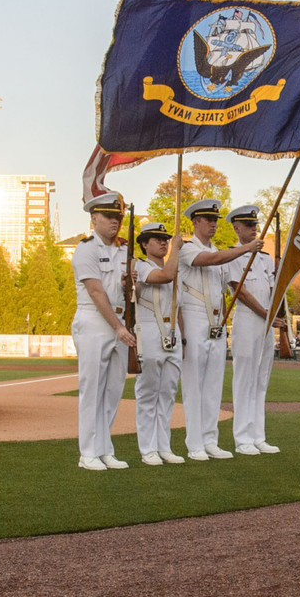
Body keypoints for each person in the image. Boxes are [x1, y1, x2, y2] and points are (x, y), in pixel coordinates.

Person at [175, 196, 256, 461]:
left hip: (216, 322)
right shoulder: (187, 249)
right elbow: (210, 260)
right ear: (196, 221)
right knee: (194, 384)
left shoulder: (218, 249)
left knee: (212, 385)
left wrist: (222, 322)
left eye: (215, 220)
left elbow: (222, 288)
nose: (212, 224)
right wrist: (245, 249)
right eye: (208, 220)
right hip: (194, 316)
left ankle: (210, 439)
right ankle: (194, 443)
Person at [69, 191, 136, 471]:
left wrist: (131, 283)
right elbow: (95, 291)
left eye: (118, 217)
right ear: (94, 218)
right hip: (95, 321)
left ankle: (104, 448)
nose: (115, 222)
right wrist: (118, 327)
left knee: (112, 391)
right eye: (109, 216)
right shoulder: (86, 249)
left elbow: (132, 290)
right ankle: (88, 453)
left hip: (119, 320)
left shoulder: (123, 250)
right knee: (92, 388)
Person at [224, 203, 281, 455]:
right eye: (248, 225)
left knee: (261, 380)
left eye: (255, 225)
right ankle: (243, 438)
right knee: (245, 379)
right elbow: (240, 292)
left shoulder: (265, 259)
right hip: (248, 320)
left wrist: (275, 314)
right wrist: (265, 314)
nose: (254, 229)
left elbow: (271, 289)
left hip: (266, 323)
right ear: (237, 228)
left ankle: (259, 435)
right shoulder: (233, 255)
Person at [129, 220, 183, 466]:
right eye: (157, 239)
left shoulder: (174, 265)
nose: (164, 242)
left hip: (172, 333)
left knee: (168, 393)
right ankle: (148, 448)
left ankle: (164, 445)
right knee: (149, 393)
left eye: (166, 239)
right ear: (144, 243)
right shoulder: (139, 267)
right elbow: (165, 276)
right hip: (150, 331)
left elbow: (178, 304)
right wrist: (176, 251)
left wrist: (183, 336)